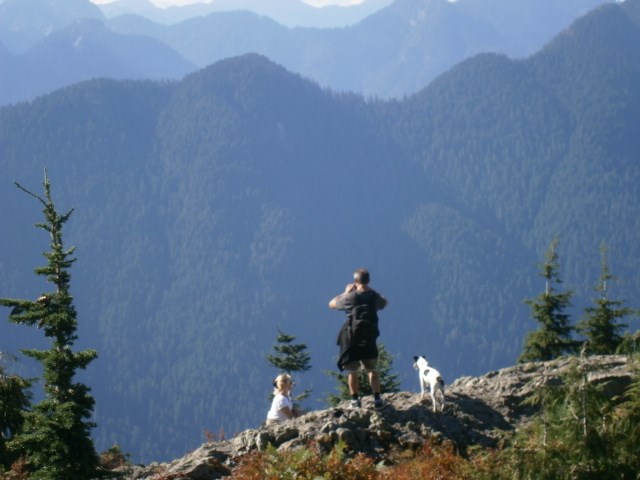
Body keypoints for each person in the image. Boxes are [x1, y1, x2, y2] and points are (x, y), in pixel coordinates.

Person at [329, 268, 388, 410]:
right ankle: (377, 399)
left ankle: (355, 401)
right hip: (369, 338)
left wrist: (346, 292)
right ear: (368, 280)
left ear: (356, 281)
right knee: (372, 369)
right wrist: (369, 289)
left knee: (353, 372)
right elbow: (385, 302)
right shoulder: (374, 296)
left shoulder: (351, 297)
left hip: (351, 339)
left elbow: (331, 304)